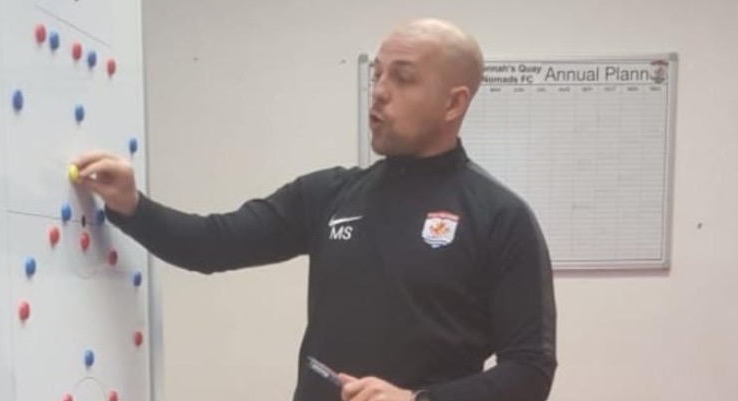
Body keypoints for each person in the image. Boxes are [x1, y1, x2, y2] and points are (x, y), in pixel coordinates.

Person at [73, 18, 557, 401]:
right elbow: (211, 244)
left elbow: (530, 370)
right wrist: (131, 205)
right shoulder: (329, 194)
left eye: (403, 78)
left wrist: (417, 400)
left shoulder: (500, 217)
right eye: (378, 74)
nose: (380, 90)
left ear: (453, 104)